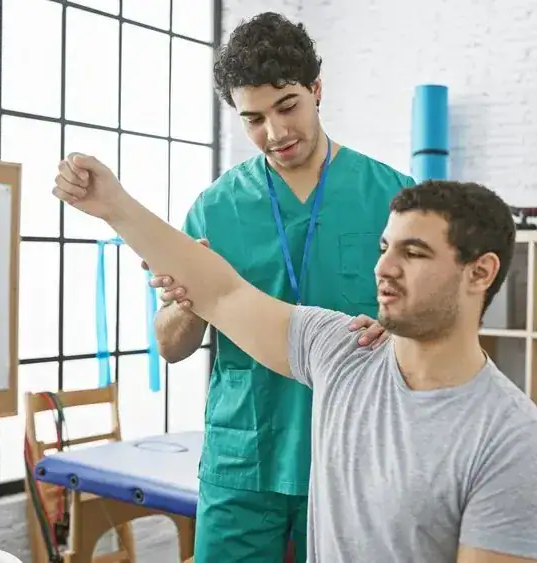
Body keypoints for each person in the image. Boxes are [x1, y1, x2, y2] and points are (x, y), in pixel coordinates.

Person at [52, 152, 537, 562]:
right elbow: (222, 292)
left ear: (479, 273)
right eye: (384, 247)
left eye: (413, 253)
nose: (383, 267)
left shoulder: (512, 441)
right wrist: (114, 205)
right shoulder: (342, 353)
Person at [145, 11, 414, 562]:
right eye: (253, 119)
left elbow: (437, 326)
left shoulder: (394, 196)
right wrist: (186, 302)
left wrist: (395, 333)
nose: (274, 133)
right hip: (245, 460)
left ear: (316, 90)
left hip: (355, 458)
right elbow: (171, 347)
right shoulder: (214, 209)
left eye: (286, 106)